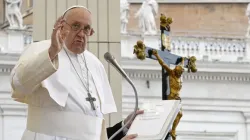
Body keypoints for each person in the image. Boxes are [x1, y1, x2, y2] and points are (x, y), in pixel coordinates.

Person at [10, 5, 143, 140]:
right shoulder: (41, 49)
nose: (81, 34)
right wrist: (52, 52)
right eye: (75, 26)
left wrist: (124, 126)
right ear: (61, 27)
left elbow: (93, 131)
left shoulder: (95, 64)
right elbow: (18, 84)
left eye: (86, 29)